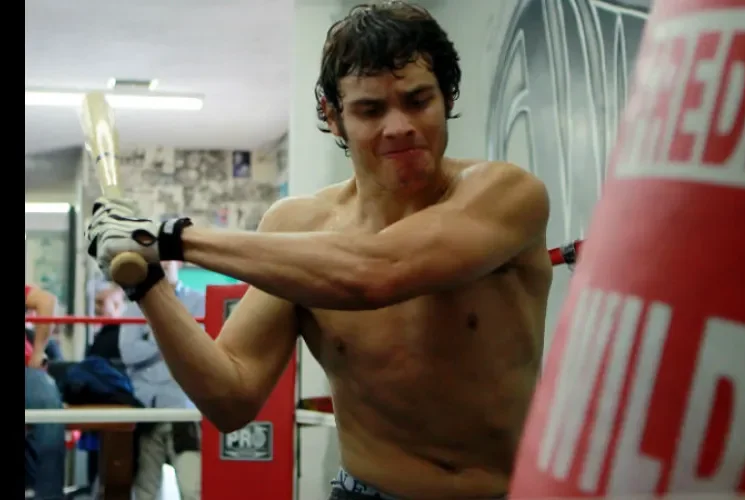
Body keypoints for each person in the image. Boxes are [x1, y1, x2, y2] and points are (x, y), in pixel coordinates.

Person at [85, 2, 552, 498]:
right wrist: (147, 284)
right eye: (371, 110)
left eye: (418, 100)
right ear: (333, 118)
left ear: (447, 96)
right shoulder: (296, 227)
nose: (399, 127)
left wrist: (170, 238)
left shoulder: (505, 193)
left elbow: (377, 273)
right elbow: (230, 396)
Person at [119, 261, 205, 500]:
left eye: (167, 256)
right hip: (149, 411)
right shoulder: (134, 307)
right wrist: (176, 335)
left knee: (193, 489)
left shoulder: (202, 302)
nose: (162, 262)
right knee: (146, 490)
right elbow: (129, 352)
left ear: (179, 261)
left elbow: (204, 350)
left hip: (185, 411)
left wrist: (153, 337)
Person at [24, 284, 66, 500]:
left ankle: (47, 495)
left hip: (30, 374)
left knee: (44, 394)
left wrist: (38, 352)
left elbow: (46, 301)